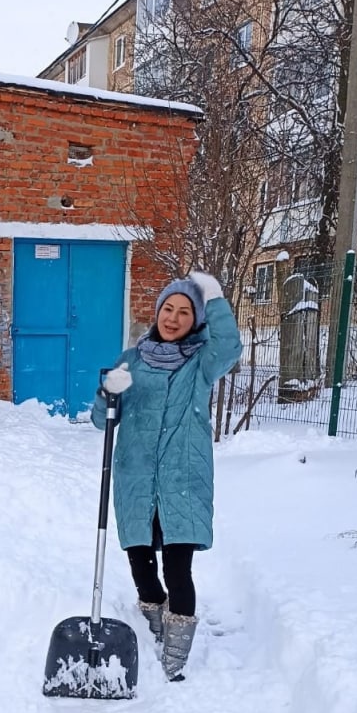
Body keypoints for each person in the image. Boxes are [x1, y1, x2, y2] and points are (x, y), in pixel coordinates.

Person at [92, 271, 241, 681]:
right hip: (136, 477)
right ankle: (154, 627)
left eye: (185, 312)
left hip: (183, 480)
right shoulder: (131, 361)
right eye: (168, 309)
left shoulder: (201, 362)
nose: (173, 318)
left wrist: (213, 297)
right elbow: (99, 421)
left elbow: (230, 346)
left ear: (196, 320)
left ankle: (175, 657)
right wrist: (109, 395)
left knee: (178, 569)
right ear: (157, 313)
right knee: (142, 566)